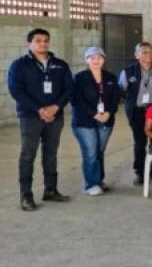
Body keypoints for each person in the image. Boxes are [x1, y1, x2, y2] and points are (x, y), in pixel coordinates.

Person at [8, 28, 73, 211]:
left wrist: (56, 107)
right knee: (28, 155)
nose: (43, 43)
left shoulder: (60, 65)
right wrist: (39, 109)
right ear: (29, 43)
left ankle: (50, 190)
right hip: (30, 117)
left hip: (55, 117)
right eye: (38, 40)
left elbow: (69, 88)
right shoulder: (19, 65)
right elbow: (16, 90)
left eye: (46, 40)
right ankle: (26, 196)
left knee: (51, 154)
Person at [71, 47, 121, 196]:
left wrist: (109, 113)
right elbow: (76, 100)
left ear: (104, 59)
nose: (96, 60)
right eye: (92, 58)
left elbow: (116, 98)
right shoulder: (79, 78)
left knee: (99, 151)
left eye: (99, 57)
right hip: (84, 122)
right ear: (86, 60)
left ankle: (98, 180)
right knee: (91, 152)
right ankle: (91, 184)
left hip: (106, 120)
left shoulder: (111, 77)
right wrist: (94, 114)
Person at [119, 42, 152, 186]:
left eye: (151, 52)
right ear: (137, 55)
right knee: (140, 143)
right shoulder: (128, 71)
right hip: (137, 112)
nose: (149, 55)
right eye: (144, 52)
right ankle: (140, 173)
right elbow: (121, 91)